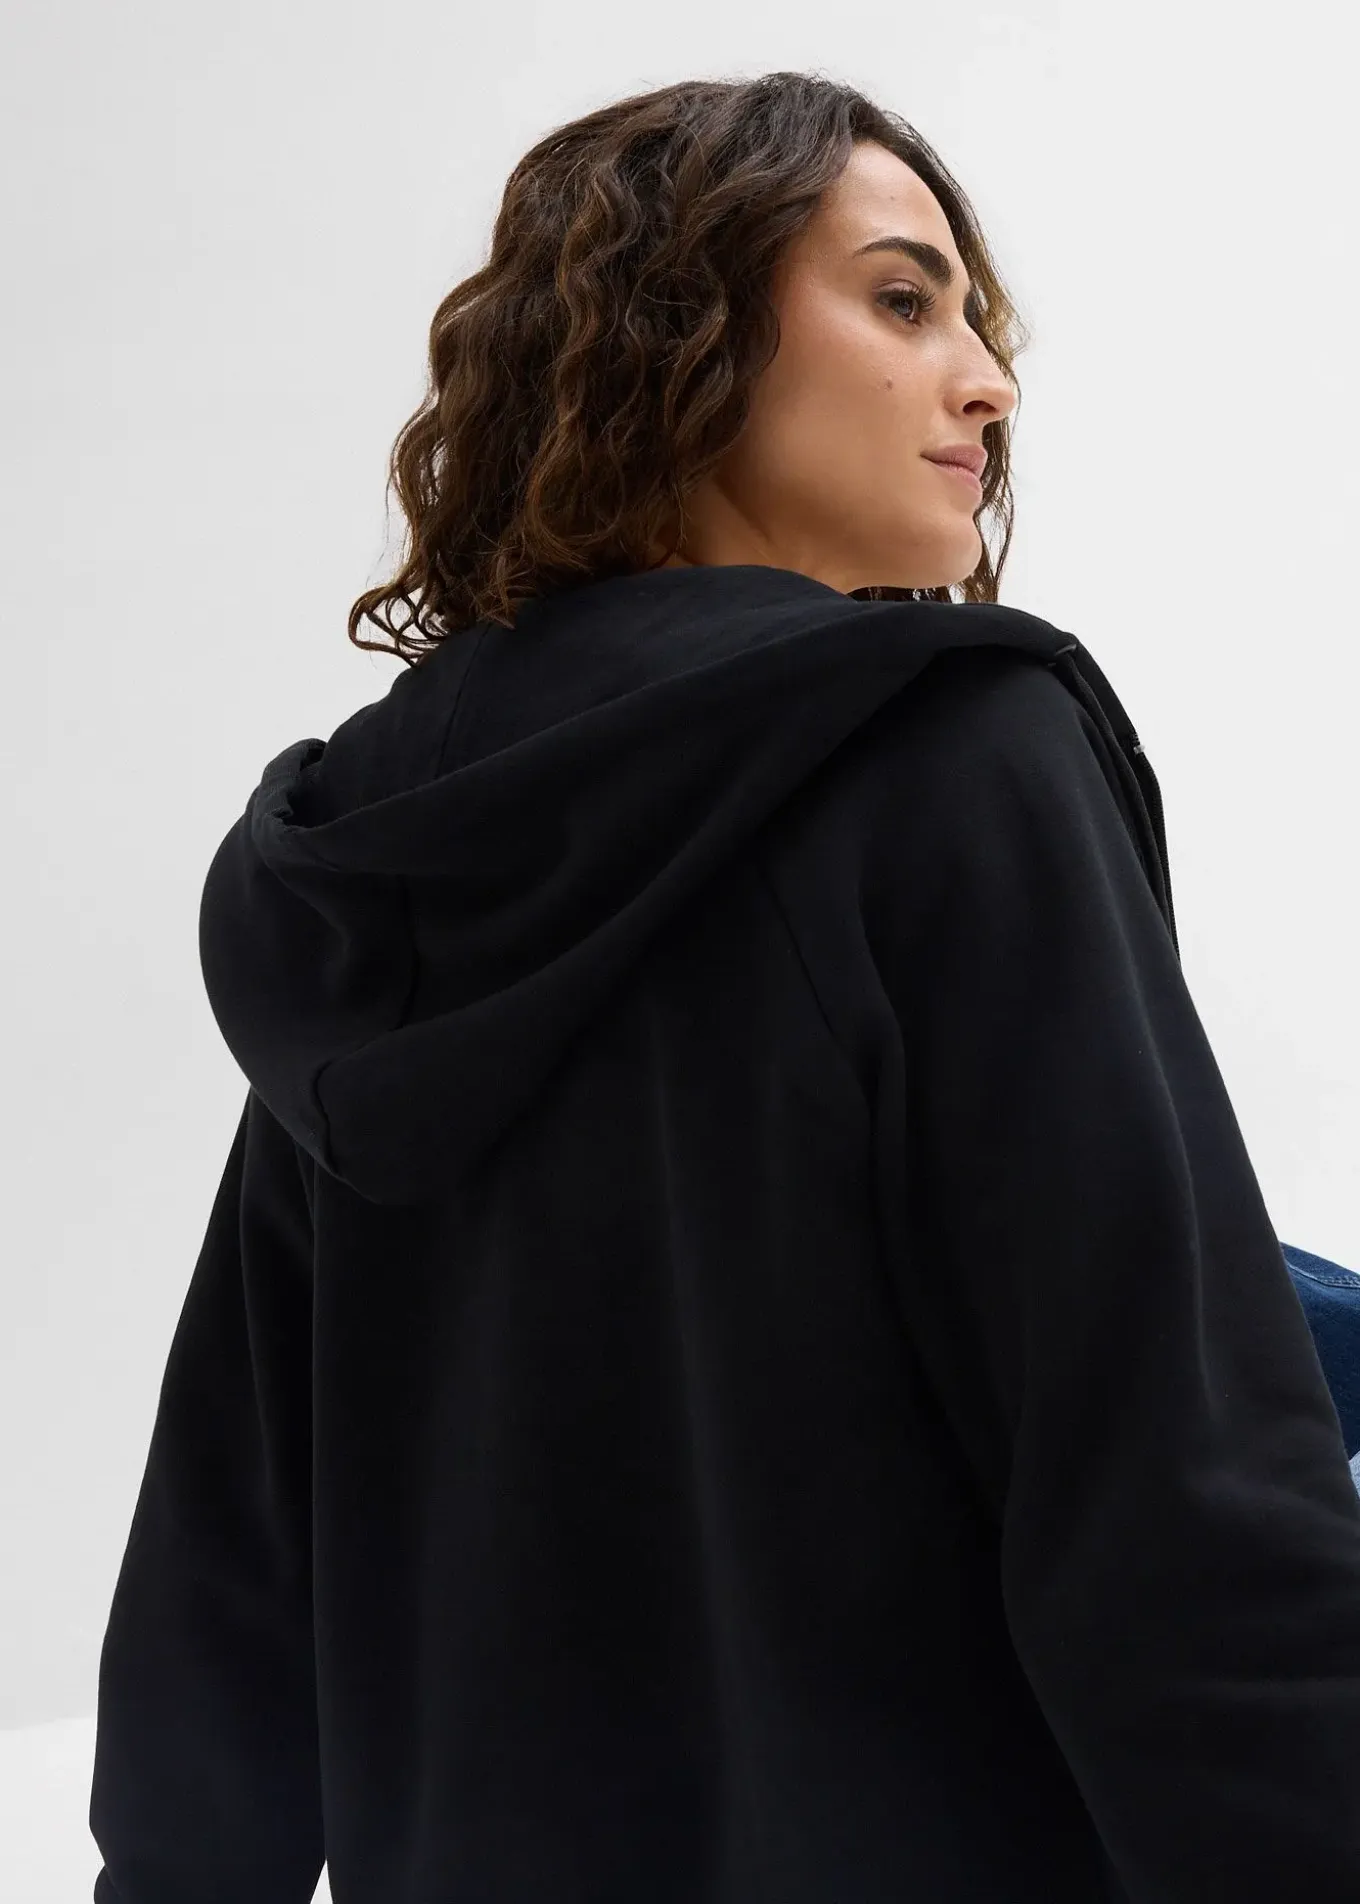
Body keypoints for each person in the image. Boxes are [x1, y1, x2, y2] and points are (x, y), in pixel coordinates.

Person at [89, 71, 1360, 1904]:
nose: (987, 387)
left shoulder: (392, 828)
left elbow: (232, 1531)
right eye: (905, 302)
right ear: (678, 332)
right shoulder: (953, 749)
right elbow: (1169, 1480)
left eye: (979, 329)